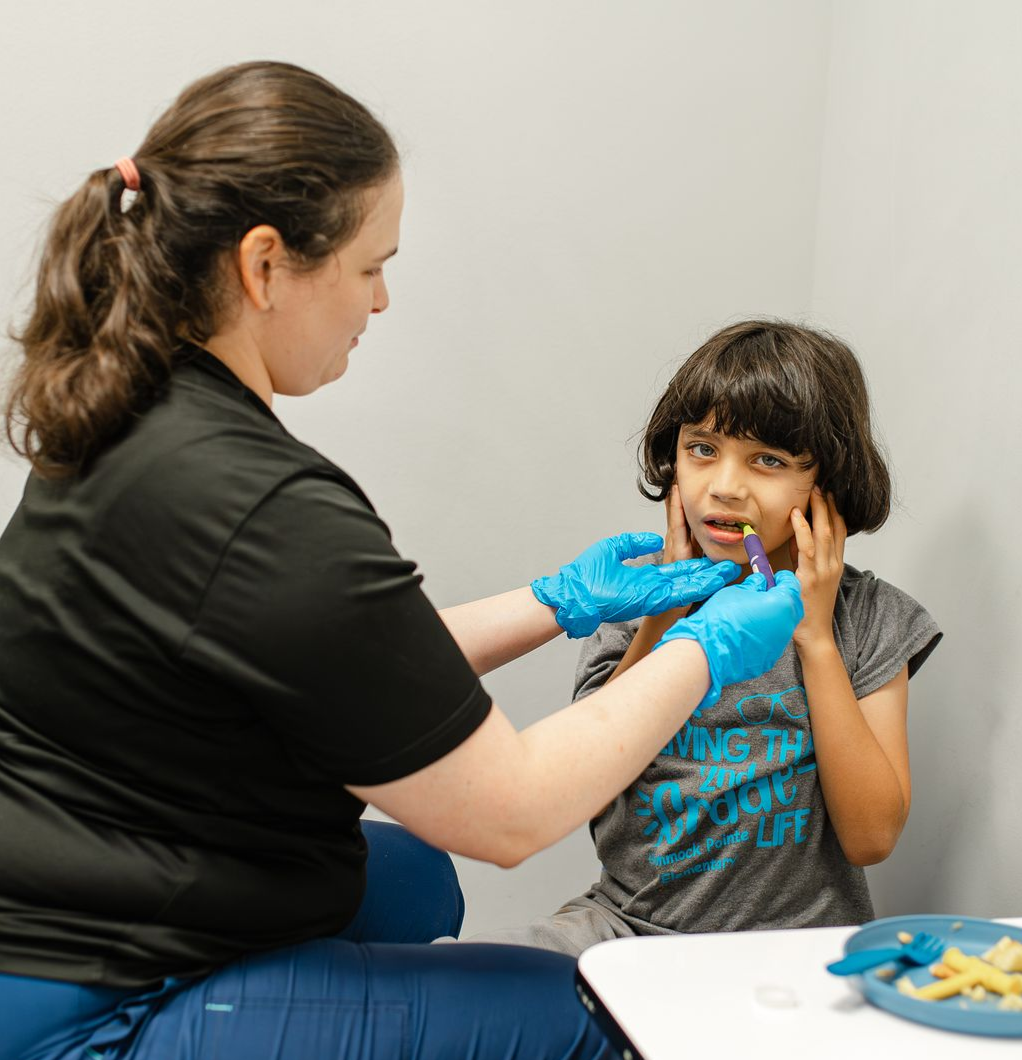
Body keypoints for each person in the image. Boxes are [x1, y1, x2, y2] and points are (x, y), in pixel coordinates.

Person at [0, 64, 805, 1060]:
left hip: (77, 874)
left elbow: (345, 660)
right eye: (370, 265)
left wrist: (557, 601)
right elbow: (511, 812)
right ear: (264, 267)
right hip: (88, 998)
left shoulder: (129, 406)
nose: (379, 301)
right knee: (587, 1017)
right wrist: (708, 650)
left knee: (417, 878)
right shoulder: (262, 504)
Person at [465, 319, 943, 956]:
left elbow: (871, 839)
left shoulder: (872, 620)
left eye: (767, 460)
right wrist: (666, 614)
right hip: (625, 929)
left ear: (825, 483)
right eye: (702, 449)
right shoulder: (632, 607)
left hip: (802, 948)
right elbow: (588, 784)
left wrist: (817, 640)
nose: (724, 485)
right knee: (463, 980)